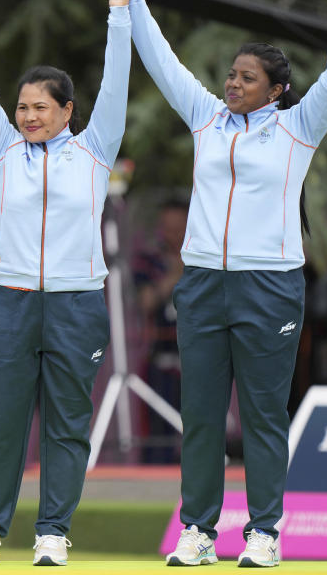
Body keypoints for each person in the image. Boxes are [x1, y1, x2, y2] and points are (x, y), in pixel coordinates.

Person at [109, 0, 327, 567]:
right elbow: (164, 61)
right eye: (231, 74)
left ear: (275, 91)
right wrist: (133, 1)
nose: (233, 83)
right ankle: (198, 529)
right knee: (200, 415)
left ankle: (265, 533)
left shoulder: (297, 128)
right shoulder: (205, 118)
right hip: (201, 286)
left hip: (269, 288)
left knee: (263, 414)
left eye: (247, 78)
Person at [0, 0, 137, 566]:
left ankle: (52, 531)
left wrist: (119, 14)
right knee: (1, 421)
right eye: (22, 108)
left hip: (78, 304)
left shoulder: (96, 149)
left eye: (40, 108)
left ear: (68, 110)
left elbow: (118, 81)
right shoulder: (3, 151)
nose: (28, 116)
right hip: (11, 302)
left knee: (65, 426)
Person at [132, 198, 187, 464]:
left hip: (197, 362)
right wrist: (174, 275)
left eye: (180, 228)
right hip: (160, 362)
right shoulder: (149, 262)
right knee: (157, 440)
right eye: (169, 228)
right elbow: (146, 302)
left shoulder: (204, 260)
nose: (174, 235)